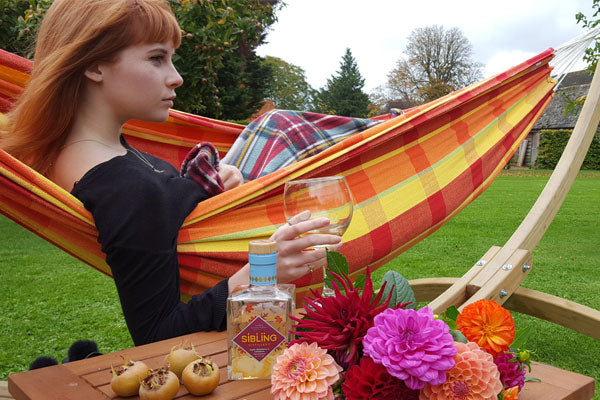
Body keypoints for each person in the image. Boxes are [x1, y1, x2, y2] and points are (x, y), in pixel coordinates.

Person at [0, 0, 341, 346]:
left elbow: (167, 207)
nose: (176, 77)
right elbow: (157, 335)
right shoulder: (125, 188)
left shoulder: (101, 153)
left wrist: (212, 185)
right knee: (281, 125)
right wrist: (261, 272)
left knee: (277, 124)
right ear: (95, 65)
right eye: (156, 58)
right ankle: (395, 130)